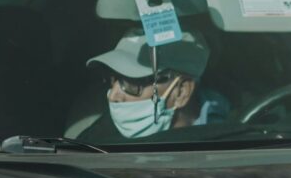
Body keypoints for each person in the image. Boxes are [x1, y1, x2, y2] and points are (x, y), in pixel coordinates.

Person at [83, 28, 225, 141]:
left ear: (181, 92)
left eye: (131, 85)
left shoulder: (229, 138)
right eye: (113, 79)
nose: (113, 96)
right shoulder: (97, 139)